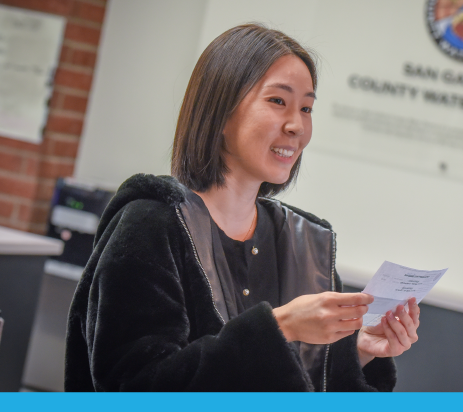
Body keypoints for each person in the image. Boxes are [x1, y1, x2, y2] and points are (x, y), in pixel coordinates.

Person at [65, 24, 420, 392]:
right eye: (278, 101)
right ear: (221, 111)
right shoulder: (151, 224)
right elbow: (134, 386)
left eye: (307, 108)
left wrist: (358, 353)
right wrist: (280, 328)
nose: (297, 125)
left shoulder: (305, 244)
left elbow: (312, 386)